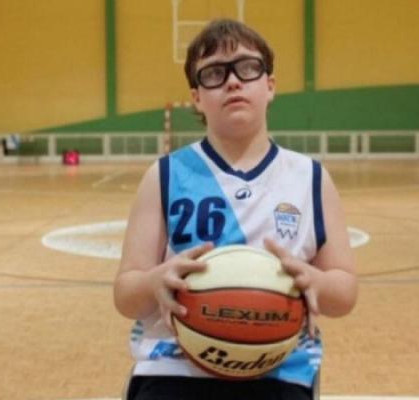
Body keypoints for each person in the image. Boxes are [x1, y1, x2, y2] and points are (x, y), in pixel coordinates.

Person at [114, 19, 358, 400]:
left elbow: (344, 291)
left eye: (247, 68)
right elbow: (126, 293)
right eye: (214, 73)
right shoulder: (164, 175)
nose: (232, 81)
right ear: (196, 97)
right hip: (173, 366)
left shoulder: (311, 178)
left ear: (270, 85)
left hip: (280, 368)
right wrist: (153, 283)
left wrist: (317, 282)